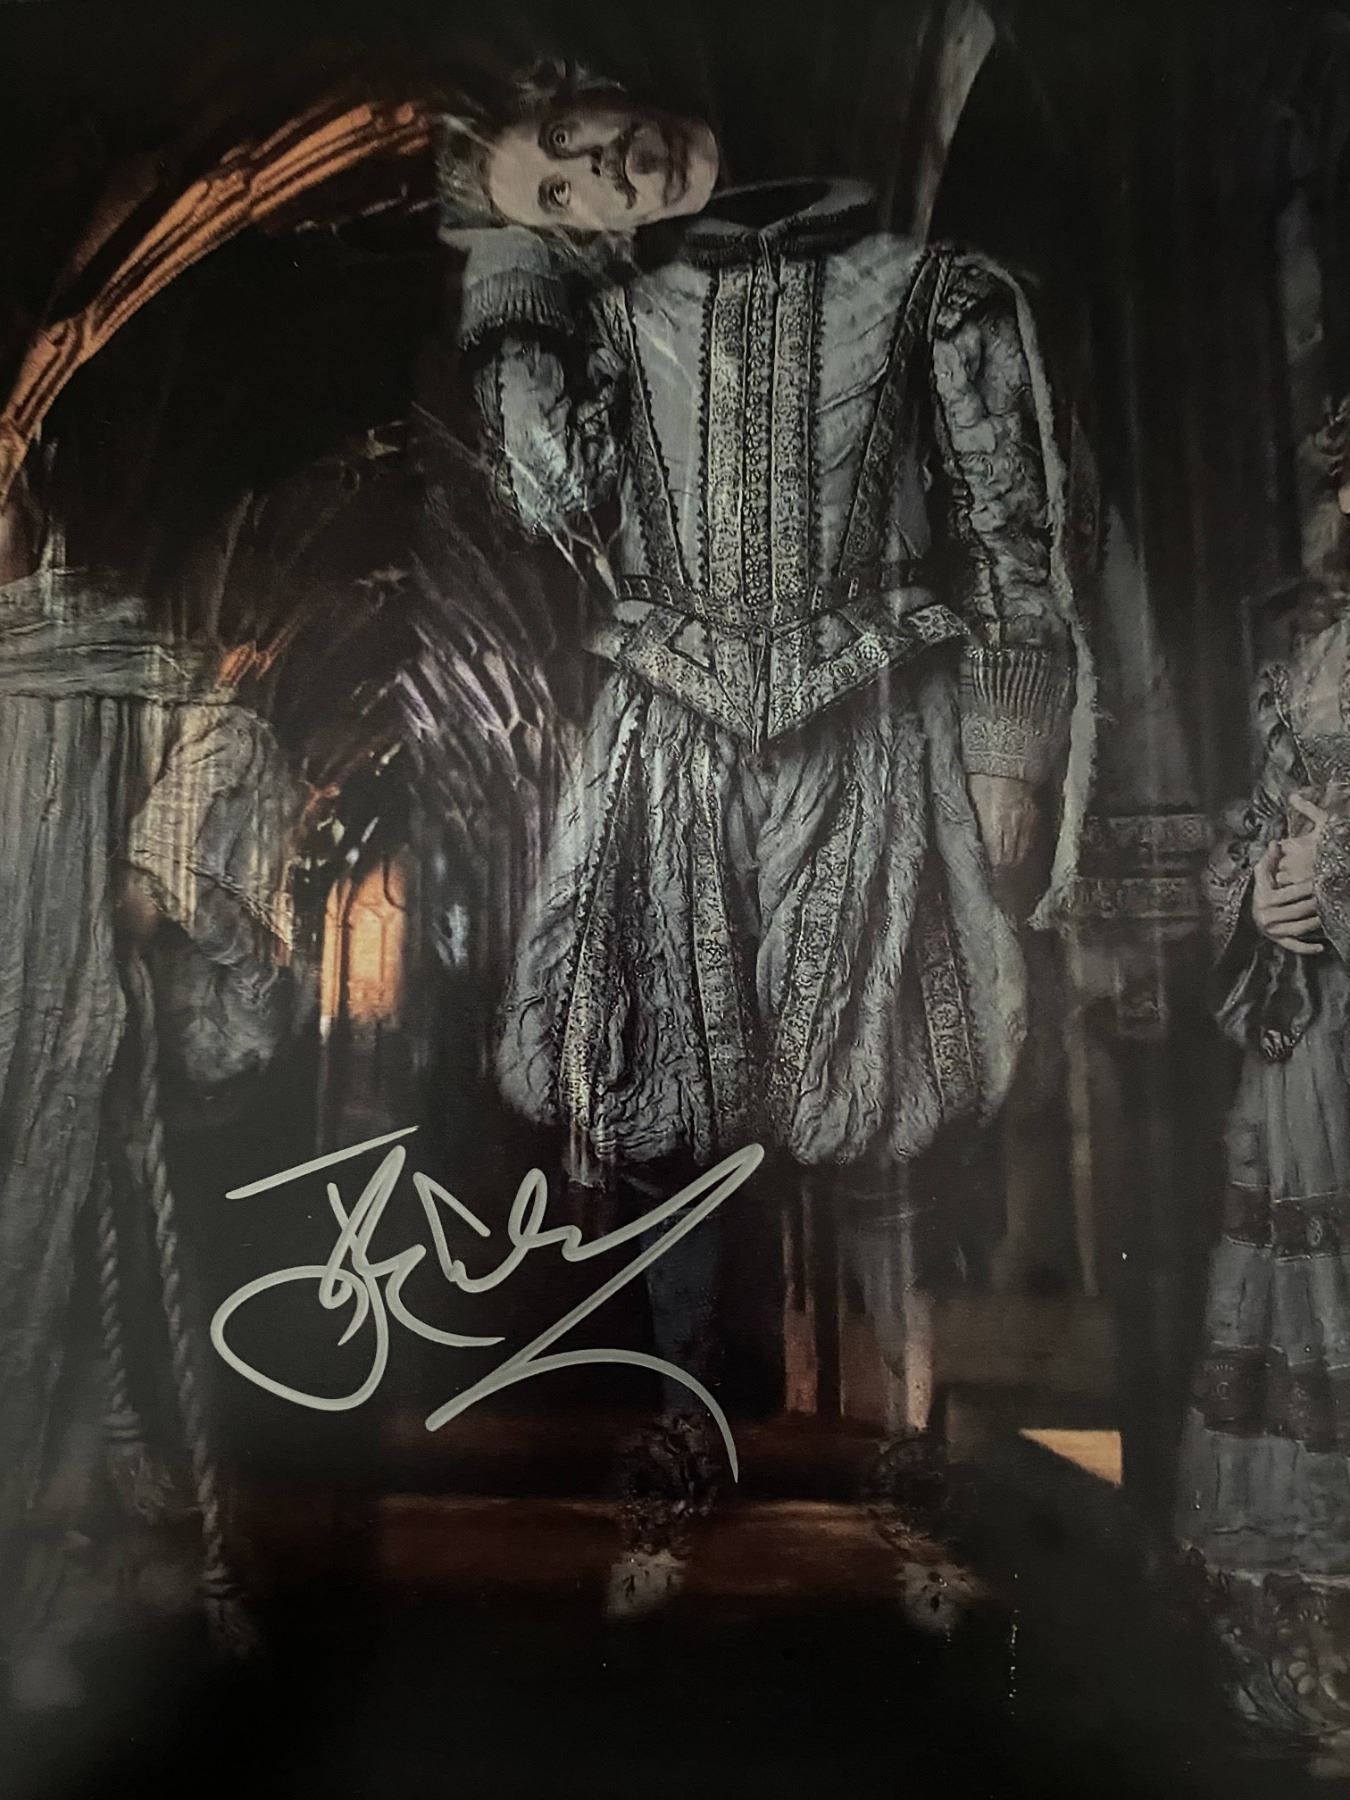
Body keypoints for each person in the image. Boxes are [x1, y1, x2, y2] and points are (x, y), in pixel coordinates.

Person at [439, 64, 1092, 1617]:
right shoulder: (608, 320)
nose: (604, 182)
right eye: (559, 190)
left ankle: (910, 1458)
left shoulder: (935, 292)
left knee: (887, 1084)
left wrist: (1007, 747)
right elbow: (547, 487)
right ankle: (681, 1436)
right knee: (670, 1098)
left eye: (588, 149)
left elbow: (1011, 535)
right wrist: (515, 289)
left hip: (872, 714)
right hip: (669, 730)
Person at [1178, 405, 1350, 1767]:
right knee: (1309, 1294)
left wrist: (1331, 878)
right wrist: (1255, 892)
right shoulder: (1304, 656)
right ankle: (1314, 1646)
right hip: (1309, 1032)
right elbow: (1251, 813)